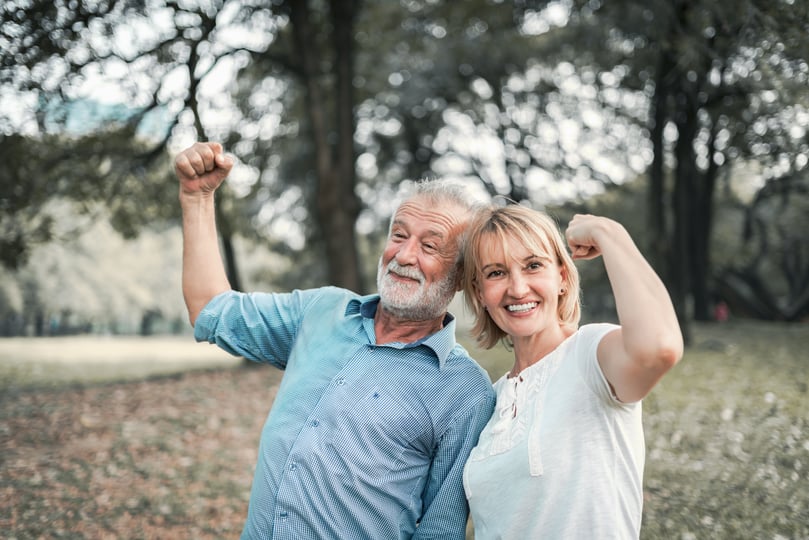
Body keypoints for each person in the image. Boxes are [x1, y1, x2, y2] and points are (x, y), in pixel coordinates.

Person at [174, 141, 496, 540]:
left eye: (430, 246)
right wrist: (197, 198)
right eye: (399, 235)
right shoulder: (321, 312)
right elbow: (210, 308)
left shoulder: (465, 391)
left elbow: (439, 530)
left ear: (462, 275)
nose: (404, 255)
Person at [460, 204, 684, 539]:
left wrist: (608, 233)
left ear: (562, 277)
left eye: (533, 265)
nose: (518, 288)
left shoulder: (590, 356)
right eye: (496, 273)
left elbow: (658, 348)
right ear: (480, 293)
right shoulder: (490, 399)